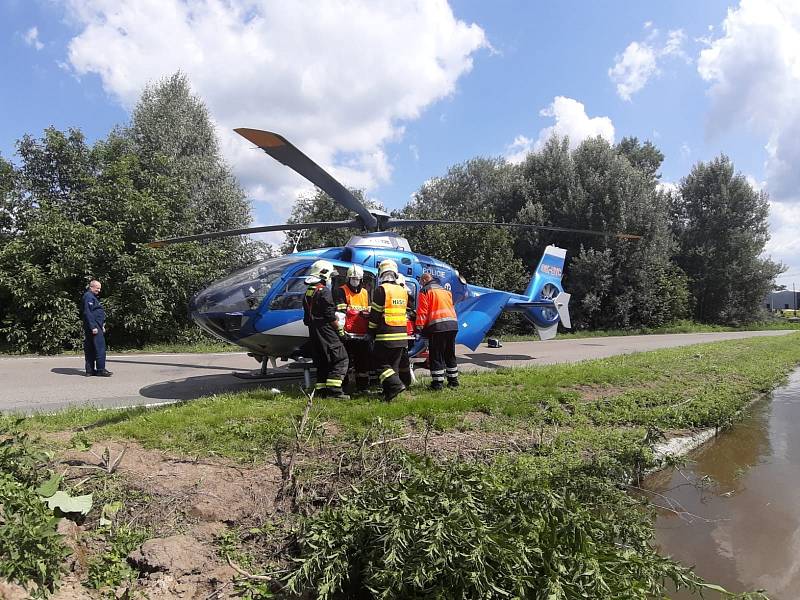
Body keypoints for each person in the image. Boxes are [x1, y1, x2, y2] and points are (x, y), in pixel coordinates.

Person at [303, 260, 349, 399]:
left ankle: (321, 390)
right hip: (325, 330)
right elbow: (329, 315)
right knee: (341, 358)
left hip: (313, 331)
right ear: (324, 274)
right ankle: (335, 391)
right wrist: (340, 329)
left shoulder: (308, 292)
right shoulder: (324, 292)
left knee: (323, 360)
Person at [368, 259, 408, 401]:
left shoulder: (381, 290)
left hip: (386, 334)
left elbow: (375, 314)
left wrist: (371, 331)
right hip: (402, 335)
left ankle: (396, 385)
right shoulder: (403, 290)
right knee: (393, 366)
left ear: (381, 273)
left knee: (379, 363)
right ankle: (389, 393)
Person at [415, 273, 459, 390]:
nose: (420, 285)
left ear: (424, 280)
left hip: (438, 327)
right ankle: (453, 381)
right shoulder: (444, 290)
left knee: (436, 355)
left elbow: (423, 311)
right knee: (450, 354)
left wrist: (419, 327)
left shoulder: (425, 291)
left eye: (420, 282)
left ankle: (437, 383)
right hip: (453, 325)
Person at [333, 265, 371, 393]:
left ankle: (363, 387)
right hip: (348, 333)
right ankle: (345, 388)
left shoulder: (365, 292)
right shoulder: (341, 291)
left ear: (361, 279)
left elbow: (367, 309)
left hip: (362, 333)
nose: (355, 280)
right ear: (348, 278)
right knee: (346, 362)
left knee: (363, 362)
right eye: (353, 278)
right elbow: (340, 312)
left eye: (357, 278)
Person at [81, 280, 112, 377]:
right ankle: (100, 369)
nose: (99, 290)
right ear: (91, 287)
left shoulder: (91, 297)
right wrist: (94, 327)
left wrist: (101, 325)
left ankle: (90, 371)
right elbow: (88, 313)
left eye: (99, 288)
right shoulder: (88, 297)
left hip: (95, 325)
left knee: (91, 348)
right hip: (94, 326)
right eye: (97, 288)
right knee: (100, 348)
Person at [395, 274, 415, 388]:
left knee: (398, 359)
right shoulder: (406, 294)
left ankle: (401, 383)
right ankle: (404, 382)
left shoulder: (402, 294)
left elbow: (411, 312)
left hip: (398, 331)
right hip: (403, 332)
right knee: (402, 358)